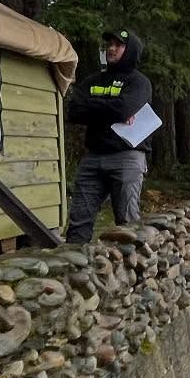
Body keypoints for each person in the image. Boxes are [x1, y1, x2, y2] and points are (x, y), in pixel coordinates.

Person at [64, 28, 153, 242]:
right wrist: (111, 109)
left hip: (127, 157)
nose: (111, 49)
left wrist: (96, 108)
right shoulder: (94, 80)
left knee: (127, 223)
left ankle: (135, 270)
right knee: (78, 221)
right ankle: (76, 270)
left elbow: (123, 108)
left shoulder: (139, 82)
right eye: (109, 45)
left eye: (118, 45)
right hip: (93, 157)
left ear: (130, 49)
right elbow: (74, 111)